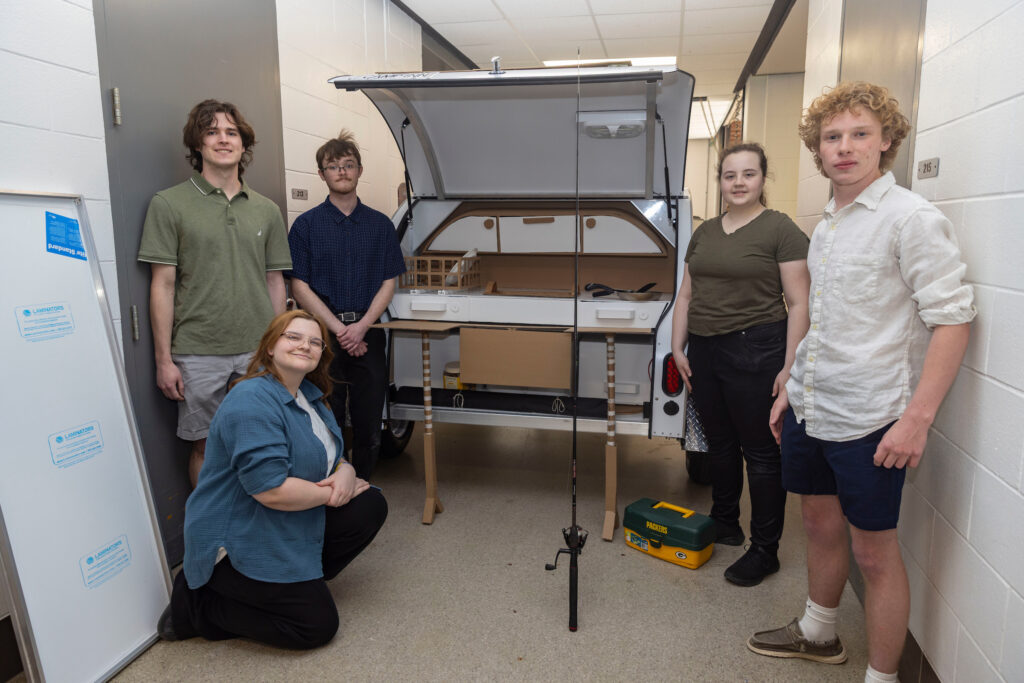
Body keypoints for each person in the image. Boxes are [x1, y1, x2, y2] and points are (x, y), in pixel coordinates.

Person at [747, 83, 975, 683]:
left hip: (873, 420)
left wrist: (916, 419)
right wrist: (791, 386)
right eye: (831, 137)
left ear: (887, 142)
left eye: (860, 134)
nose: (844, 148)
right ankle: (819, 632)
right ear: (817, 150)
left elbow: (953, 320)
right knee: (819, 524)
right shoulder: (827, 225)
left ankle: (882, 678)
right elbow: (825, 319)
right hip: (814, 406)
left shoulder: (912, 220)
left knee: (873, 553)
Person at [157, 310, 388, 649]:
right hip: (240, 532)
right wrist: (333, 494)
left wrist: (347, 474)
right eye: (293, 337)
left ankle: (285, 588)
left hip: (280, 519)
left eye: (314, 342)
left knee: (369, 505)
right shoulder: (251, 400)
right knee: (315, 627)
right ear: (269, 347)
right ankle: (198, 606)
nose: (304, 346)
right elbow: (272, 491)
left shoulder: (309, 396)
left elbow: (332, 456)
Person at [671, 142, 811, 587]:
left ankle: (764, 549)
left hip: (757, 348)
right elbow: (687, 295)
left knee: (762, 452)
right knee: (719, 444)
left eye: (748, 174)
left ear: (762, 179)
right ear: (720, 181)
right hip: (705, 352)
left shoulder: (780, 229)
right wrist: (678, 348)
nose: (738, 183)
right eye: (730, 175)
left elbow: (800, 302)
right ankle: (725, 521)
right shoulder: (705, 232)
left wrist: (791, 366)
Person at [138, 99, 292, 486]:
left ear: (243, 144)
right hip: (197, 351)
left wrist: (279, 348)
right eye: (211, 132)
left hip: (258, 351)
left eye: (231, 132)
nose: (223, 139)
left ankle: (258, 531)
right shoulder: (169, 204)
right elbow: (163, 284)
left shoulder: (267, 210)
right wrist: (163, 360)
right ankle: (215, 539)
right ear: (198, 145)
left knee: (263, 443)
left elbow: (276, 282)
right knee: (206, 448)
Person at [287, 130, 406, 479]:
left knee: (370, 423)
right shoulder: (306, 226)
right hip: (322, 338)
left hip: (369, 335)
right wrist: (340, 330)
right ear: (321, 174)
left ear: (359, 170)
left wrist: (361, 327)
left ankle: (362, 487)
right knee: (328, 417)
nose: (341, 171)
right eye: (333, 166)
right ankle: (331, 490)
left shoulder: (380, 225)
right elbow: (300, 285)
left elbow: (389, 282)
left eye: (348, 165)